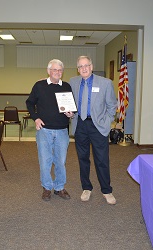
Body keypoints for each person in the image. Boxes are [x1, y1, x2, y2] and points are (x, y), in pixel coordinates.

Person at [68, 55, 117, 205]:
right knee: (83, 158)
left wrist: (106, 122)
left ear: (92, 66)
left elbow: (112, 106)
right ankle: (86, 188)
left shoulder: (105, 83)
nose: (84, 68)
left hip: (98, 126)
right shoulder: (73, 82)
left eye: (86, 65)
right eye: (81, 66)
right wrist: (70, 113)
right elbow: (71, 102)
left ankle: (107, 190)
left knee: (101, 159)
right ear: (78, 69)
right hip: (80, 124)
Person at [26, 59, 73, 201]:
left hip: (62, 130)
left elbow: (71, 106)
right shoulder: (39, 86)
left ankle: (59, 187)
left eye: (60, 70)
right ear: (48, 71)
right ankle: (47, 187)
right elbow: (29, 103)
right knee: (45, 161)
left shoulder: (66, 86)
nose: (57, 72)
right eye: (54, 70)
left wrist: (71, 113)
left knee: (60, 161)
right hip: (44, 130)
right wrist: (35, 118)